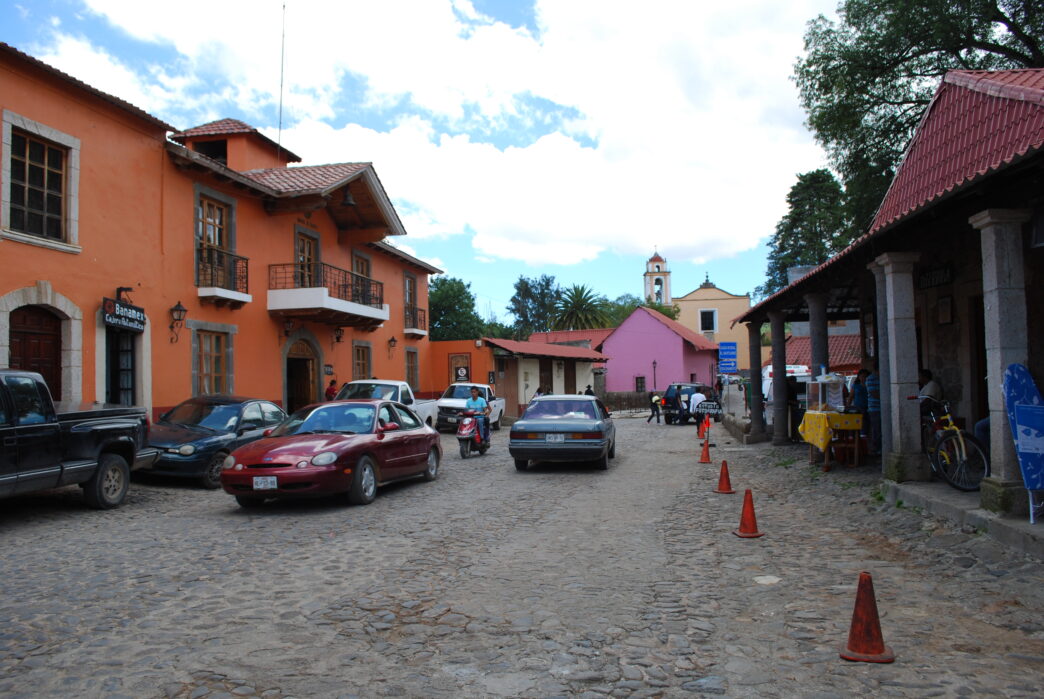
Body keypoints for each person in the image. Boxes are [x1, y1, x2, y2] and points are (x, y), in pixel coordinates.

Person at [846, 369, 870, 434]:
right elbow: (851, 397)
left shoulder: (869, 385)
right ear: (858, 377)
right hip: (858, 407)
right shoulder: (855, 385)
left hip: (868, 406)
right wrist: (848, 407)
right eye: (861, 376)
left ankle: (864, 433)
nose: (863, 378)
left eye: (865, 376)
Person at [865, 363, 882, 454]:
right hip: (875, 408)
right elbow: (874, 393)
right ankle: (876, 449)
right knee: (877, 429)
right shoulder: (871, 379)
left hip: (882, 407)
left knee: (880, 429)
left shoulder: (883, 377)